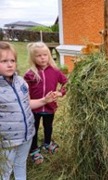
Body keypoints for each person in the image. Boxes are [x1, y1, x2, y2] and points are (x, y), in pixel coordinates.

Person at [0, 41, 57, 180]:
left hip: (27, 135)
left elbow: (27, 103)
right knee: (5, 170)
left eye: (12, 60)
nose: (10, 64)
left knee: (20, 163)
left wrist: (44, 100)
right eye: (4, 61)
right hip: (7, 140)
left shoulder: (20, 82)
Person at [24, 42, 68, 164]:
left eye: (45, 55)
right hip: (34, 108)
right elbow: (23, 90)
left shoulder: (55, 71)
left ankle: (47, 143)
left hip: (50, 106)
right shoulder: (30, 74)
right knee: (34, 128)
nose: (43, 58)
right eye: (39, 56)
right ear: (33, 58)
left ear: (49, 55)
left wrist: (60, 93)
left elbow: (67, 82)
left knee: (48, 126)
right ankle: (33, 149)